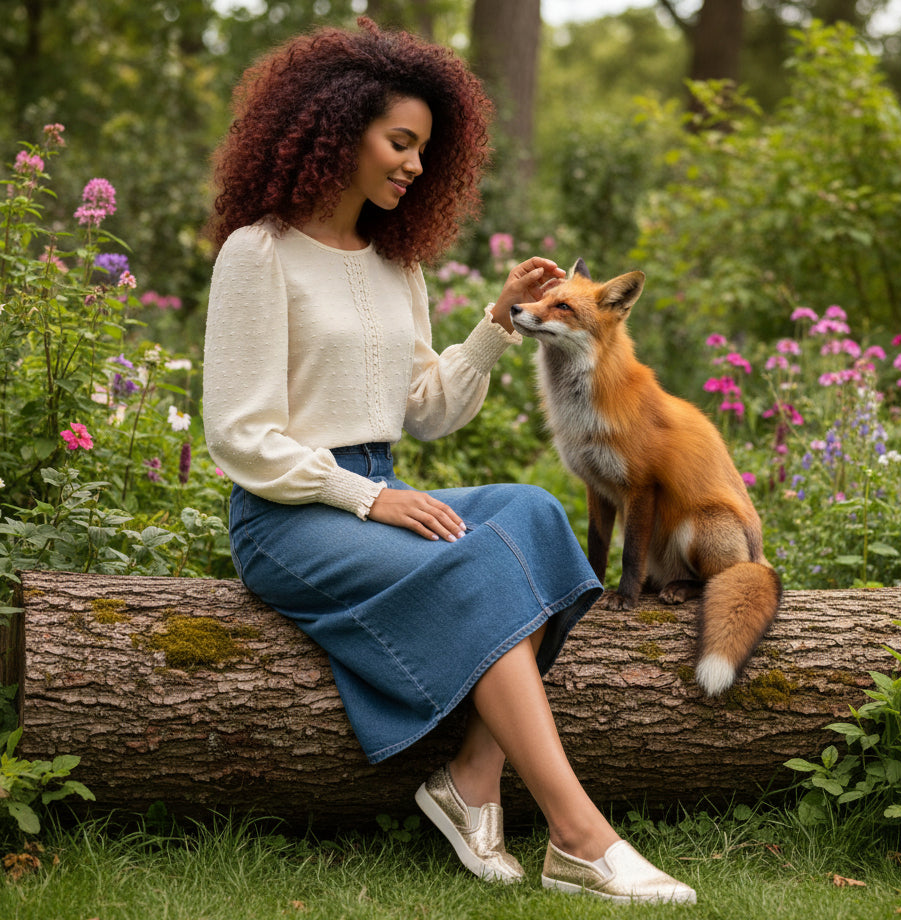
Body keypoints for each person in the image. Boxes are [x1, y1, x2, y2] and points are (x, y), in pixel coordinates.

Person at [202, 18, 696, 906]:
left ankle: (470, 776)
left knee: (536, 516)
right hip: (287, 516)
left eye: (427, 150)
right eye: (400, 143)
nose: (415, 167)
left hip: (378, 486)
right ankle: (580, 838)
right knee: (476, 561)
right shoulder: (259, 252)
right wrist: (367, 499)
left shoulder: (398, 264)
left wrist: (498, 323)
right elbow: (239, 435)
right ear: (337, 128)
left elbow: (425, 412)